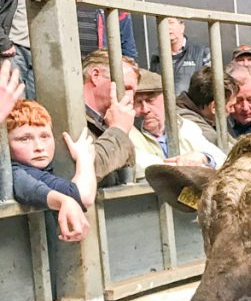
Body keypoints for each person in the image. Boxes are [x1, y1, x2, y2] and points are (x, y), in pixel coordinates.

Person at [8, 99, 95, 242]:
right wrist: (84, 158)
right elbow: (83, 195)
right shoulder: (15, 170)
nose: (39, 147)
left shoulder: (39, 169)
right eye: (25, 139)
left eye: (45, 137)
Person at [130, 68, 225, 180]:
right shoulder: (127, 133)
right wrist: (188, 167)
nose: (145, 109)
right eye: (138, 102)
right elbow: (140, 165)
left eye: (150, 100)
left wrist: (203, 157)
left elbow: (222, 158)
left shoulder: (185, 126)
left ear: (166, 100)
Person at [81, 48, 138, 185]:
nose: (130, 99)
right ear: (96, 76)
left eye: (133, 92)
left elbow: (127, 180)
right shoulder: (71, 119)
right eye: (126, 88)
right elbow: (86, 172)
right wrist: (118, 130)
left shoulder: (111, 121)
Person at [0, 0, 53, 100]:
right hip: (13, 51)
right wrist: (4, 43)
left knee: (36, 101)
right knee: (16, 102)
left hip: (36, 51)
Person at [73, 0, 138, 61]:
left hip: (104, 65)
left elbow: (127, 44)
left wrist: (130, 67)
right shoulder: (70, 0)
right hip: (76, 64)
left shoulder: (115, 2)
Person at [149, 17, 210, 95]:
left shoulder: (202, 53)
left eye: (171, 23)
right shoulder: (156, 57)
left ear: (182, 27)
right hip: (165, 106)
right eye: (164, 24)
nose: (168, 28)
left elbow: (210, 87)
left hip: (193, 106)